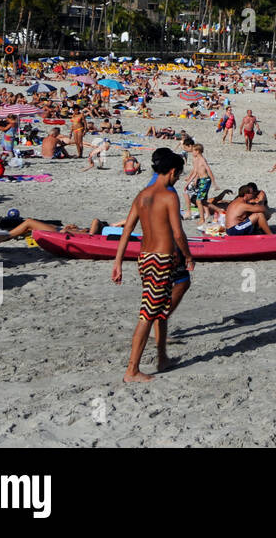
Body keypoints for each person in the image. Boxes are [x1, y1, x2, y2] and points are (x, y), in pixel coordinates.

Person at [111, 147, 194, 382]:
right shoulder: (169, 196)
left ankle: (162, 357)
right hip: (161, 260)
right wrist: (188, 256)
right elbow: (178, 234)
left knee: (161, 308)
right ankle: (132, 370)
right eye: (177, 174)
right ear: (172, 171)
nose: (177, 178)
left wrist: (118, 262)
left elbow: (127, 229)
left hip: (145, 259)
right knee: (148, 314)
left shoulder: (142, 195)